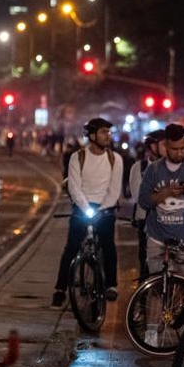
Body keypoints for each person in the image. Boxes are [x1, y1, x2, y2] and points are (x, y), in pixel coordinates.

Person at [52, 117, 123, 307]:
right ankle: (60, 289)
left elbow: (115, 189)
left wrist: (102, 209)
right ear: (92, 135)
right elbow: (74, 187)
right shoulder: (78, 157)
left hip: (106, 208)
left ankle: (111, 285)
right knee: (72, 246)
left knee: (108, 244)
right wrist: (86, 208)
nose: (107, 136)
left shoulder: (115, 159)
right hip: (82, 206)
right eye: (103, 132)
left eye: (109, 132)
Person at [137, 123, 184, 284]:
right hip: (158, 240)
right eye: (174, 149)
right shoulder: (154, 169)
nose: (180, 153)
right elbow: (143, 201)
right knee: (155, 291)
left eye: (183, 148)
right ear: (166, 146)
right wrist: (166, 193)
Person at [129, 129, 164, 281]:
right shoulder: (140, 167)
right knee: (145, 259)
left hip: (169, 220)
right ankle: (143, 291)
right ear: (152, 146)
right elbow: (139, 196)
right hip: (145, 220)